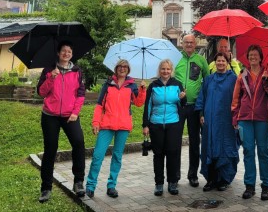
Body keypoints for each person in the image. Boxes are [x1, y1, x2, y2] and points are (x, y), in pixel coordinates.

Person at [85, 60, 146, 199]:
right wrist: (96, 121)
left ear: (128, 69)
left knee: (117, 157)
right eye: (120, 66)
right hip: (106, 125)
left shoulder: (131, 85)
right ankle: (90, 186)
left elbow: (138, 103)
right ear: (116, 68)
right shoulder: (108, 84)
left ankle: (111, 186)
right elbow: (99, 105)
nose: (122, 69)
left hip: (123, 126)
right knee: (97, 156)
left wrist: (142, 90)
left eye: (125, 67)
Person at [36, 40, 86, 203]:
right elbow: (41, 93)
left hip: (69, 115)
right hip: (50, 115)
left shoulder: (77, 71)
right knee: (50, 149)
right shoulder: (49, 70)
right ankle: (46, 188)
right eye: (63, 51)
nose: (66, 53)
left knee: (78, 143)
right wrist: (51, 77)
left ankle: (78, 182)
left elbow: (80, 94)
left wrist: (75, 113)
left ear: (72, 54)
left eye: (69, 51)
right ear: (58, 53)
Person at [231, 44, 268, 200]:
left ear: (261, 57)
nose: (253, 57)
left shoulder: (267, 74)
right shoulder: (242, 75)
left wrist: (267, 81)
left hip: (263, 118)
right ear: (247, 58)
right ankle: (249, 185)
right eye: (250, 55)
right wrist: (235, 117)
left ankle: (266, 186)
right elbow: (235, 99)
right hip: (245, 119)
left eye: (256, 55)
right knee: (248, 151)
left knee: (264, 151)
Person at [195, 52, 239, 192]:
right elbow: (202, 96)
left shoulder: (233, 79)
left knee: (225, 147)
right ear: (215, 63)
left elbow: (239, 98)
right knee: (210, 146)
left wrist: (237, 116)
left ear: (227, 63)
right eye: (218, 61)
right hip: (210, 120)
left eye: (223, 61)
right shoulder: (209, 79)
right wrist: (201, 113)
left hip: (226, 120)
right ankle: (211, 179)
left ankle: (224, 179)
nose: (220, 63)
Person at [143, 59, 186, 196]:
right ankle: (159, 184)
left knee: (173, 153)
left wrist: (183, 98)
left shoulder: (177, 84)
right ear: (159, 70)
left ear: (171, 70)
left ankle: (172, 183)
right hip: (156, 124)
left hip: (173, 123)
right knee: (158, 154)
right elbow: (148, 106)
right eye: (163, 69)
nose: (165, 71)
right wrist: (146, 125)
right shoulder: (153, 86)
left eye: (168, 69)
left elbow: (182, 105)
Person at [174, 34, 210, 187]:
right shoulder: (176, 59)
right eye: (186, 42)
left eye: (191, 42)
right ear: (182, 43)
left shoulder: (201, 60)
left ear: (195, 44)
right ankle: (174, 176)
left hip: (195, 106)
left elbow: (207, 82)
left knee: (195, 142)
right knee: (174, 142)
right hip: (178, 106)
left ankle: (193, 175)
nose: (188, 44)